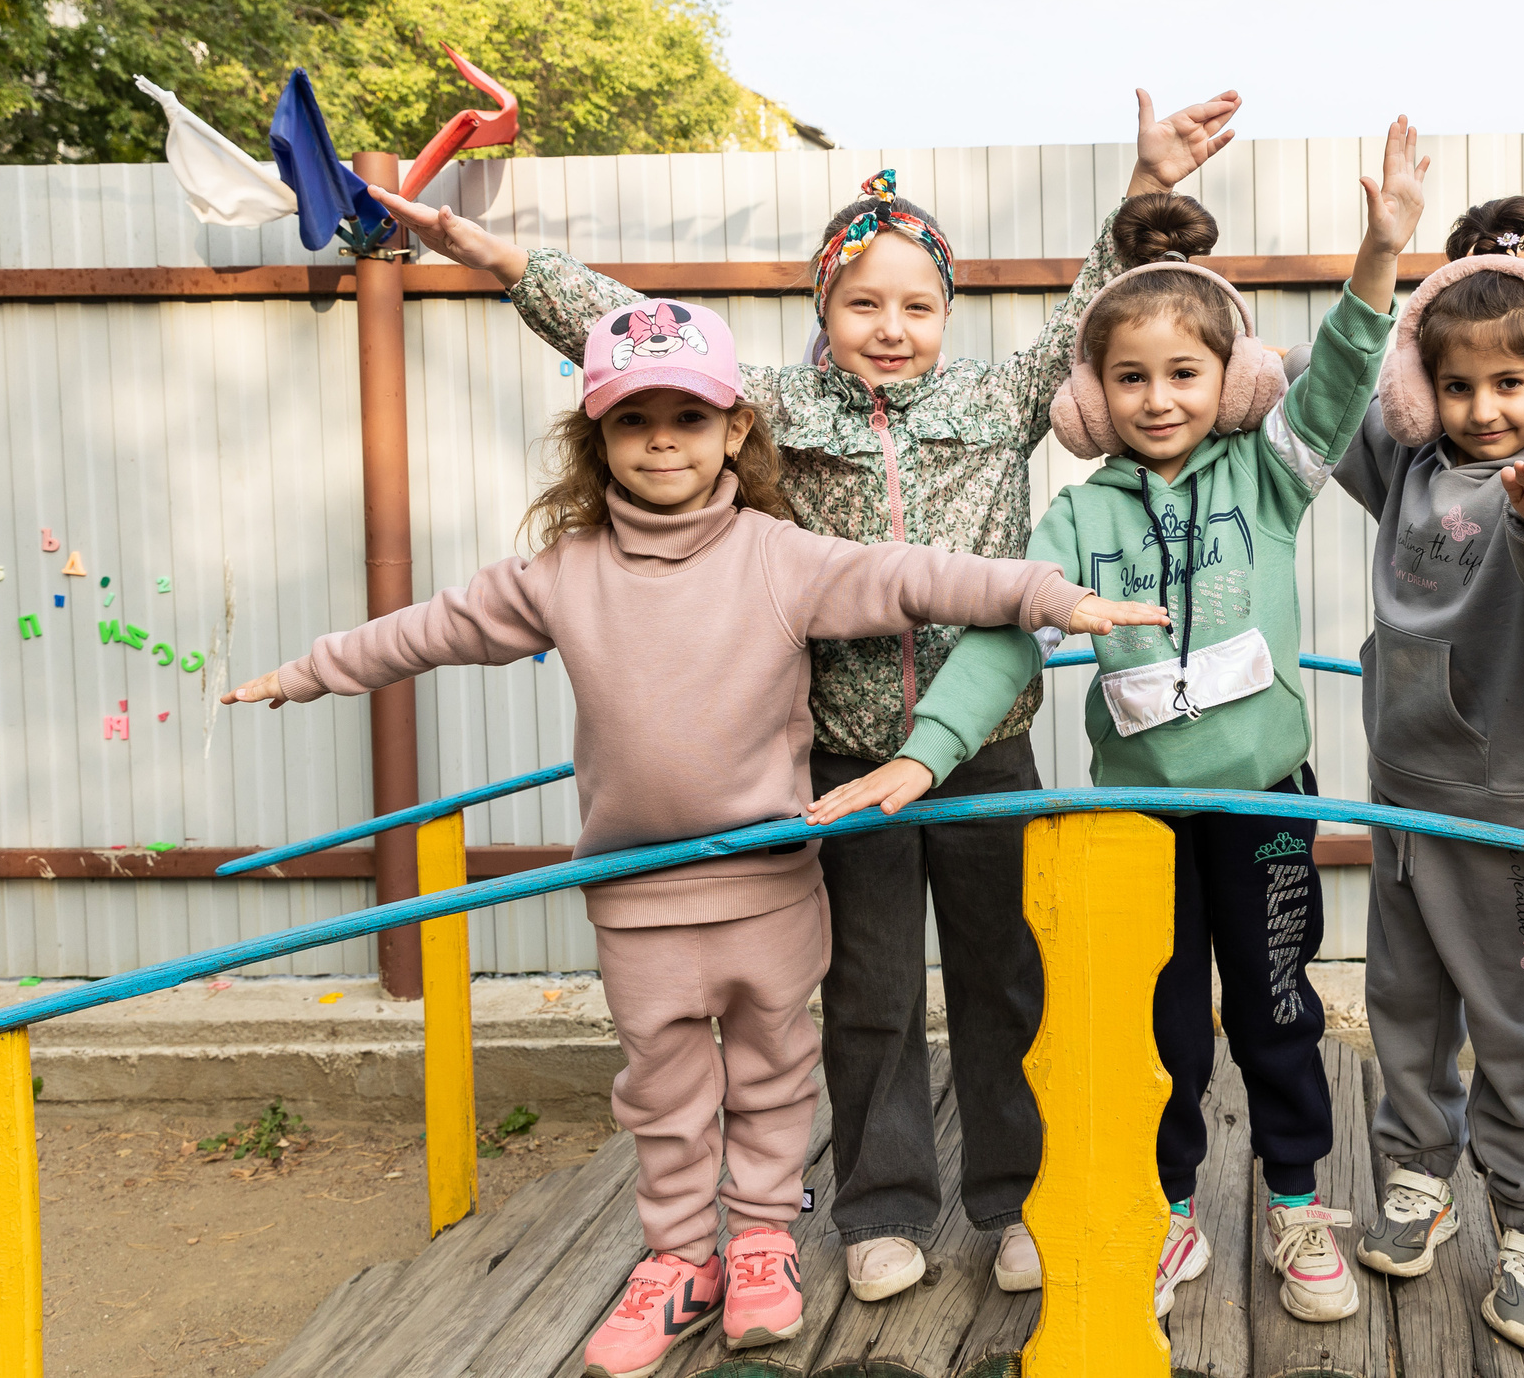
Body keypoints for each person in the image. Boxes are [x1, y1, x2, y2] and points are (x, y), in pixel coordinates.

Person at [377, 90, 1240, 1303]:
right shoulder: (775, 408)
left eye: (917, 305)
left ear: (948, 314)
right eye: (863, 303)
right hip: (839, 763)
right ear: (823, 310)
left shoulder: (992, 405)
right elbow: (630, 332)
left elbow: (1080, 314)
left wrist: (1145, 183)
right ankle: (882, 1205)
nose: (892, 328)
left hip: (985, 750)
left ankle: (1014, 1199)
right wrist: (502, 258)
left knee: (1005, 984)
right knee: (868, 992)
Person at [220, 302, 1166, 1377]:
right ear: (600, 444)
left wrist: (1049, 593)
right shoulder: (561, 576)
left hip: (767, 889)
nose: (662, 440)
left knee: (773, 1076)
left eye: (687, 417)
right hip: (638, 902)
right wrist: (306, 672)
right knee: (664, 1094)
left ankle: (763, 1242)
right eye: (634, 423)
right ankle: (676, 1259)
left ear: (733, 435)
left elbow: (918, 577)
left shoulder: (780, 558)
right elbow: (431, 628)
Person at [809, 116, 1430, 1325]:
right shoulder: (1075, 518)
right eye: (1131, 378)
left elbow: (1350, 368)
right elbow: (1001, 639)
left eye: (1186, 374)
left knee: (1276, 1006)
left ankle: (1297, 1202)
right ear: (1092, 393)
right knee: (1159, 1025)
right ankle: (1171, 1204)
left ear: (1232, 379)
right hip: (1134, 818)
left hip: (1260, 806)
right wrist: (921, 754)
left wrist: (1381, 250)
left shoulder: (1270, 469)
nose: (1160, 399)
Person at [1332, 195, 1524, 1355]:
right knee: (1403, 1003)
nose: (1482, 409)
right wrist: (1391, 267)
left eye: (1510, 385)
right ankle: (1416, 1175)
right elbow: (1338, 386)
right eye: (1456, 386)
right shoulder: (1409, 465)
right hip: (1402, 796)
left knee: (1514, 1022)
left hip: (1503, 811)